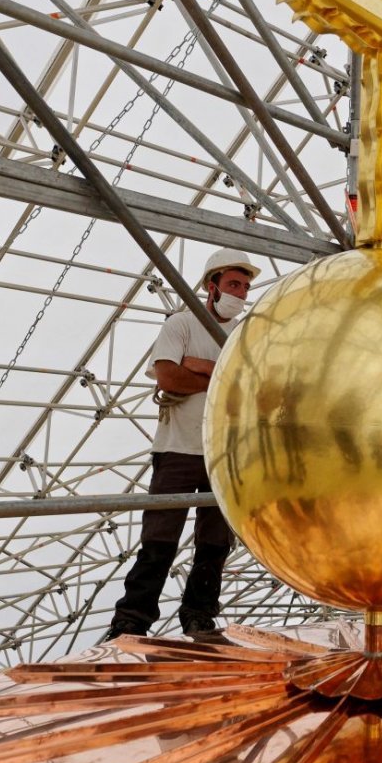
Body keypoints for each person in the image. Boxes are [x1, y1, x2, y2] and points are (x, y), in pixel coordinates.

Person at [107, 248, 259, 639]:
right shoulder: (181, 323)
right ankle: (132, 621)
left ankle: (199, 617)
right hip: (177, 449)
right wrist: (221, 375)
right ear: (212, 286)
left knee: (214, 545)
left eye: (244, 286)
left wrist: (196, 365)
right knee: (159, 539)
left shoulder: (244, 335)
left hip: (223, 453)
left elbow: (253, 388)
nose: (240, 293)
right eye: (233, 284)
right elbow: (168, 379)